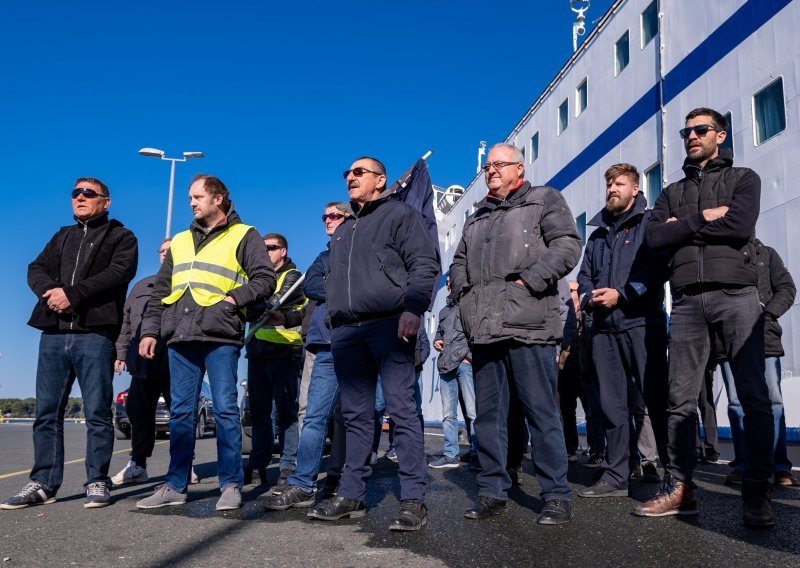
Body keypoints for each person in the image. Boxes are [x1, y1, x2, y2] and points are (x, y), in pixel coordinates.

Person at [640, 108, 775, 528]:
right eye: (687, 131)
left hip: (736, 295)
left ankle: (757, 492)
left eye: (701, 130)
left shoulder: (743, 179)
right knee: (679, 401)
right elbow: (654, 236)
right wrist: (701, 218)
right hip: (686, 302)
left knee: (753, 397)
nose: (691, 136)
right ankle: (680, 489)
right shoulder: (670, 191)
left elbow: (738, 227)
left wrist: (682, 227)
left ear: (720, 135)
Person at [450, 143, 582, 525]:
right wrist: (463, 292)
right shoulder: (477, 217)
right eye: (487, 166)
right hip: (485, 328)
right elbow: (458, 262)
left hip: (529, 325)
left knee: (541, 413)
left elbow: (568, 245)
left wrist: (528, 281)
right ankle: (493, 491)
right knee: (489, 417)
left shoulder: (543, 200)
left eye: (498, 164)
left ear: (518, 168)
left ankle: (556, 494)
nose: (490, 170)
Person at [307, 156, 439, 532]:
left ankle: (413, 500)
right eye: (346, 173)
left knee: (401, 411)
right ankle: (351, 496)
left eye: (358, 172)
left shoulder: (400, 215)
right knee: (355, 417)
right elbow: (327, 280)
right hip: (347, 333)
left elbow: (423, 263)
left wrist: (414, 308)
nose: (350, 177)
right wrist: (335, 312)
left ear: (380, 180)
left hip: (390, 325)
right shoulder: (344, 230)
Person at [136, 174, 274, 511]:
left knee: (226, 410)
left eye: (198, 197)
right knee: (181, 412)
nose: (192, 203)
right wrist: (150, 331)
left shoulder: (245, 234)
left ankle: (230, 485)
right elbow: (161, 291)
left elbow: (265, 279)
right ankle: (174, 485)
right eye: (190, 198)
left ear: (219, 199)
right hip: (179, 335)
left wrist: (233, 298)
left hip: (220, 334)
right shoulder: (180, 240)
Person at [2, 178, 138, 510]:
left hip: (95, 335)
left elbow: (119, 273)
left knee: (96, 412)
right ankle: (44, 483)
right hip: (53, 334)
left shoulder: (122, 236)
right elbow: (35, 268)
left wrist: (72, 295)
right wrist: (50, 292)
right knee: (46, 412)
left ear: (105, 202)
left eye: (88, 193)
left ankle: (97, 481)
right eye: (75, 193)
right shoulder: (61, 236)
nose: (79, 197)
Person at [576, 163, 669, 499]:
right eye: (609, 184)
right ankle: (616, 475)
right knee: (612, 405)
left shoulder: (650, 223)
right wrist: (589, 298)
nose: (611, 189)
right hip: (602, 329)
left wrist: (624, 294)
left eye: (618, 184)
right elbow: (584, 275)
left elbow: (659, 267)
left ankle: (672, 477)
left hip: (641, 323)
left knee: (656, 400)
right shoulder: (598, 235)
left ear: (635, 189)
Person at [263, 202, 349, 511]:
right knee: (311, 415)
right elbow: (312, 290)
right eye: (325, 216)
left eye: (335, 215)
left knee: (348, 416)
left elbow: (361, 288)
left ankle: (340, 476)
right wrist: (286, 319)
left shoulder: (360, 254)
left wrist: (339, 286)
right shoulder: (323, 257)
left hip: (351, 342)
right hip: (319, 343)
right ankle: (303, 483)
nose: (328, 220)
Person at [721, 239, 799, 487]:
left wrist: (766, 313)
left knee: (774, 400)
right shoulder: (719, 256)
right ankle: (744, 464)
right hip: (729, 340)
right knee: (736, 403)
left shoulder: (768, 253)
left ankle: (780, 467)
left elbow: (786, 288)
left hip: (764, 338)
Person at [111, 238, 181, 485]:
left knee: (181, 414)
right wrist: (120, 354)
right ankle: (138, 464)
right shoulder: (141, 286)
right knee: (139, 413)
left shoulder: (187, 283)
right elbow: (126, 323)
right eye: (161, 251)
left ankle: (185, 464)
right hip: (143, 360)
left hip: (177, 360)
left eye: (170, 251)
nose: (164, 254)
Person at [244, 232, 306, 488]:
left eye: (271, 247)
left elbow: (272, 303)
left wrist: (251, 305)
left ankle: (287, 466)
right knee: (259, 413)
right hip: (257, 352)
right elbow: (247, 307)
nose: (266, 251)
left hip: (284, 351)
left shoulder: (293, 277)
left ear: (283, 251)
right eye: (263, 247)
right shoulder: (256, 278)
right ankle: (258, 464)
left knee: (286, 413)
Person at [429, 275, 477, 469]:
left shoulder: (471, 307)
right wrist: (436, 341)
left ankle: (477, 454)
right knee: (448, 415)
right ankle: (450, 455)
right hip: (446, 365)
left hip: (465, 365)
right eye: (447, 282)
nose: (449, 285)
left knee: (472, 413)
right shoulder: (443, 311)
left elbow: (475, 334)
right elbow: (440, 334)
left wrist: (468, 357)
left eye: (451, 282)